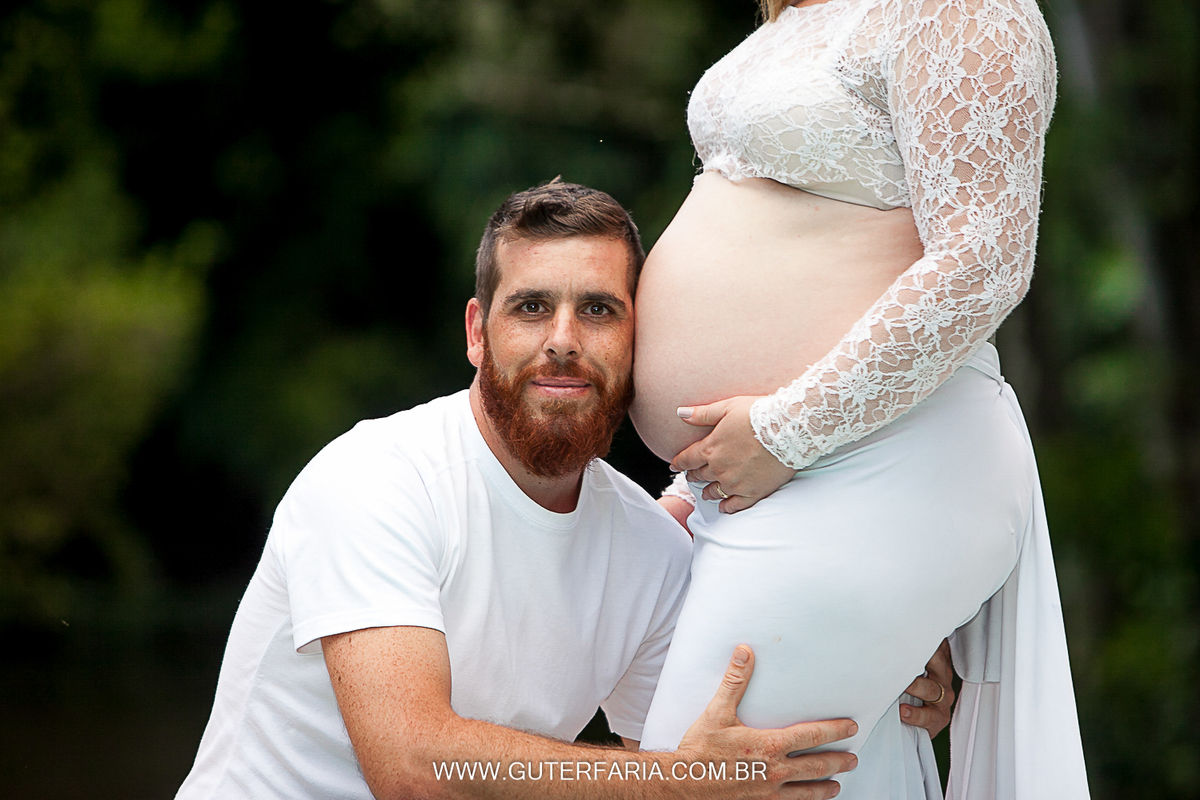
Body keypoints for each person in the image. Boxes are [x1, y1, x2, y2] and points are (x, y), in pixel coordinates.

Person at [176, 181, 952, 800]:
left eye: (599, 310)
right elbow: (414, 769)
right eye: (532, 306)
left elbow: (723, 742)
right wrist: (677, 783)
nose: (563, 339)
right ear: (478, 332)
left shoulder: (646, 553)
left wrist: (886, 660)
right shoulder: (376, 479)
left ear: (638, 339)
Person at [629, 0, 1090, 798]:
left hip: (874, 460)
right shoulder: (798, 19)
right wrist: (701, 473)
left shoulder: (957, 8)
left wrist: (783, 429)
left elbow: (985, 258)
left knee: (702, 774)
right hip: (773, 481)